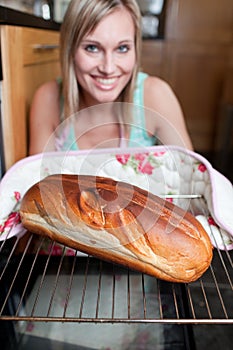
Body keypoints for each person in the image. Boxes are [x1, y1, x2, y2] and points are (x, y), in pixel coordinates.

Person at [29, 0, 193, 155]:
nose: (108, 68)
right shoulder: (48, 99)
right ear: (70, 50)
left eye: (122, 48)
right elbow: (39, 182)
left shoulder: (156, 95)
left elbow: (191, 178)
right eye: (92, 48)